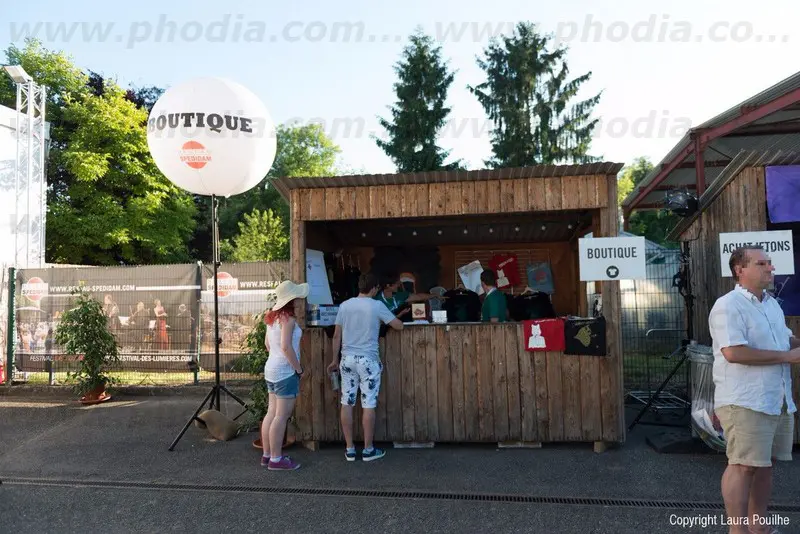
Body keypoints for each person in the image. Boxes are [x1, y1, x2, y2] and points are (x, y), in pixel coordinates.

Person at [709, 245, 800, 534]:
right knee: (742, 465)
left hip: (776, 398)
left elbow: (787, 341)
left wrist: (792, 349)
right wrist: (787, 357)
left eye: (770, 263)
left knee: (763, 465)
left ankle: (758, 528)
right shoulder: (728, 304)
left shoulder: (771, 304)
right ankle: (738, 531)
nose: (770, 268)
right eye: (762, 263)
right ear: (740, 270)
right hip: (744, 400)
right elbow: (734, 353)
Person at [327, 272, 403, 462]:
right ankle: (368, 450)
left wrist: (334, 360)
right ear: (375, 288)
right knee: (368, 403)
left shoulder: (345, 306)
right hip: (368, 360)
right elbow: (398, 325)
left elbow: (337, 336)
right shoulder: (377, 306)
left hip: (347, 360)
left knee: (347, 401)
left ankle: (350, 449)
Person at [260, 280, 309, 471]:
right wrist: (298, 369)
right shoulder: (288, 319)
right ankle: (276, 459)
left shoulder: (272, 318)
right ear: (292, 300)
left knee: (271, 413)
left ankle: (267, 455)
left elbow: (268, 345)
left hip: (271, 369)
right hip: (285, 372)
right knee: (281, 416)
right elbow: (286, 346)